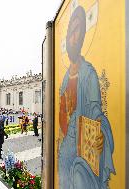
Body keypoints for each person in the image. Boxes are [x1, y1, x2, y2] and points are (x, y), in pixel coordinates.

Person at [58, 6, 115, 189]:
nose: (74, 37)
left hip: (81, 155)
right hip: (65, 151)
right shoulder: (66, 77)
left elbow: (96, 112)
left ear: (83, 37)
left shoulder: (88, 74)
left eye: (79, 32)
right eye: (71, 32)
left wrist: (101, 135)